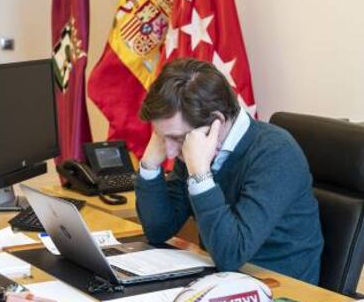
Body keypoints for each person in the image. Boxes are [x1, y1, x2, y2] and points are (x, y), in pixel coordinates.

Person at [135, 58, 323, 284]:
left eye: (176, 138)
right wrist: (149, 166)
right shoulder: (194, 146)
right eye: (163, 137)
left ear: (216, 122)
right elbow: (159, 230)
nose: (172, 152)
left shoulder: (276, 153)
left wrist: (201, 176)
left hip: (282, 290)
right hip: (224, 281)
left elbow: (231, 254)